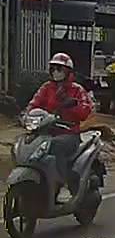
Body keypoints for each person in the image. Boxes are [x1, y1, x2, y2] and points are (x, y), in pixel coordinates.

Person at [26, 53, 94, 203]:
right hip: (46, 131)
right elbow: (34, 103)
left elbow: (85, 110)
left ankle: (64, 185)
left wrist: (71, 105)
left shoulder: (77, 90)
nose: (56, 72)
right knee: (25, 145)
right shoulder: (46, 88)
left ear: (68, 72)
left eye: (60, 69)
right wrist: (27, 114)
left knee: (56, 146)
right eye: (53, 68)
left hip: (68, 133)